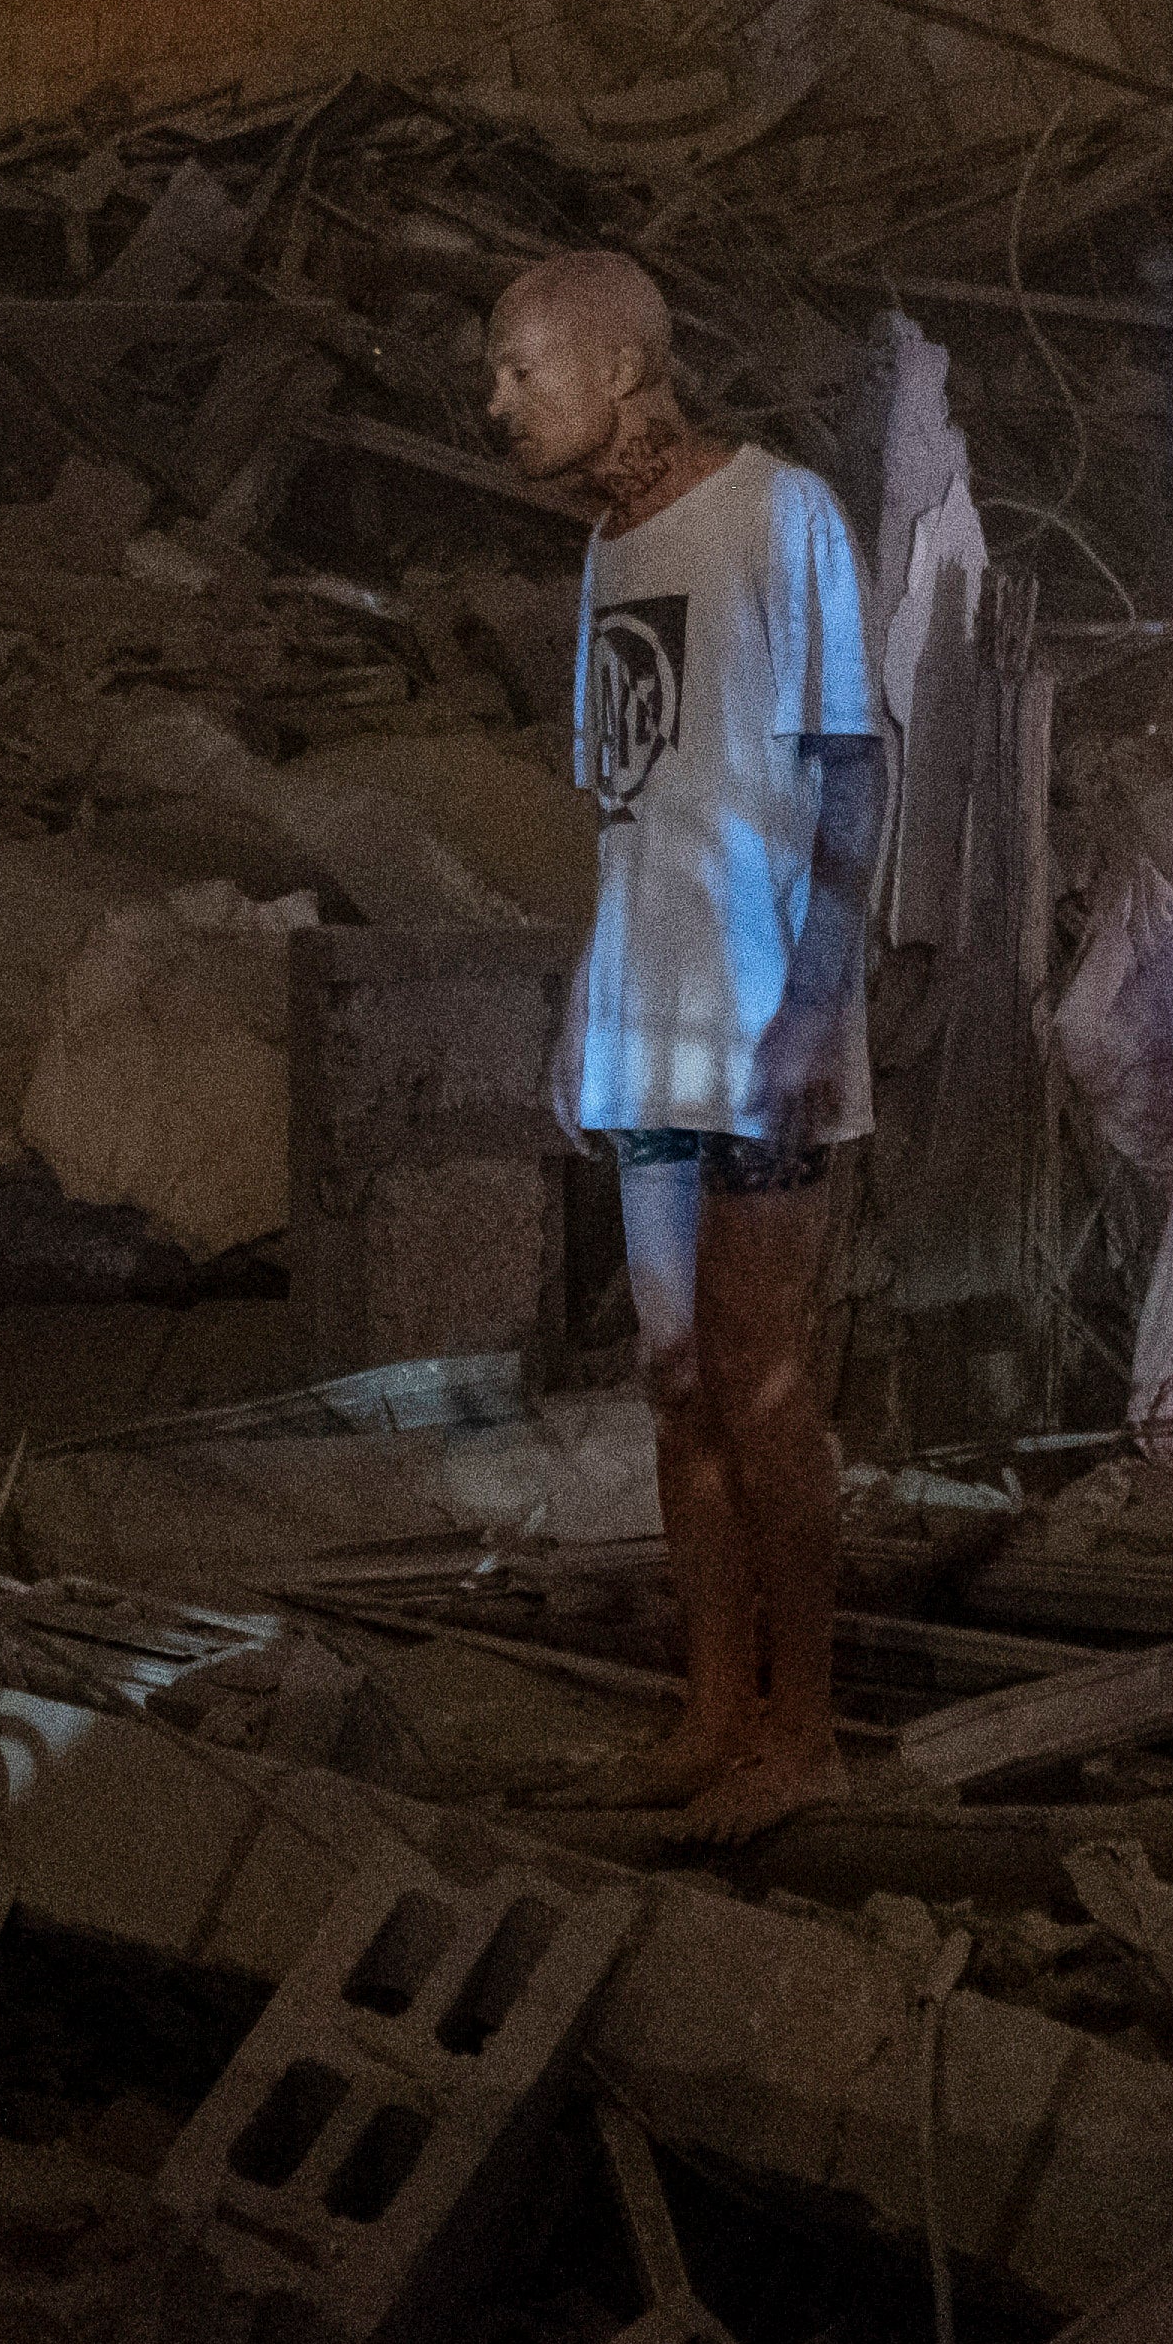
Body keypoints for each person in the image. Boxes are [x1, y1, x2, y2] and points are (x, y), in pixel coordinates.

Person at [483, 248, 882, 1841]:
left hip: (764, 1020)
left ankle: (811, 1729)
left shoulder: (780, 516)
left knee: (762, 1377)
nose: (496, 400)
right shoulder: (610, 554)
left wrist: (817, 1004)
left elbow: (854, 772)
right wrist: (586, 1002)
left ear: (625, 370)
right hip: (648, 1033)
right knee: (672, 1379)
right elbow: (625, 808)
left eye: (522, 368)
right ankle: (717, 1712)